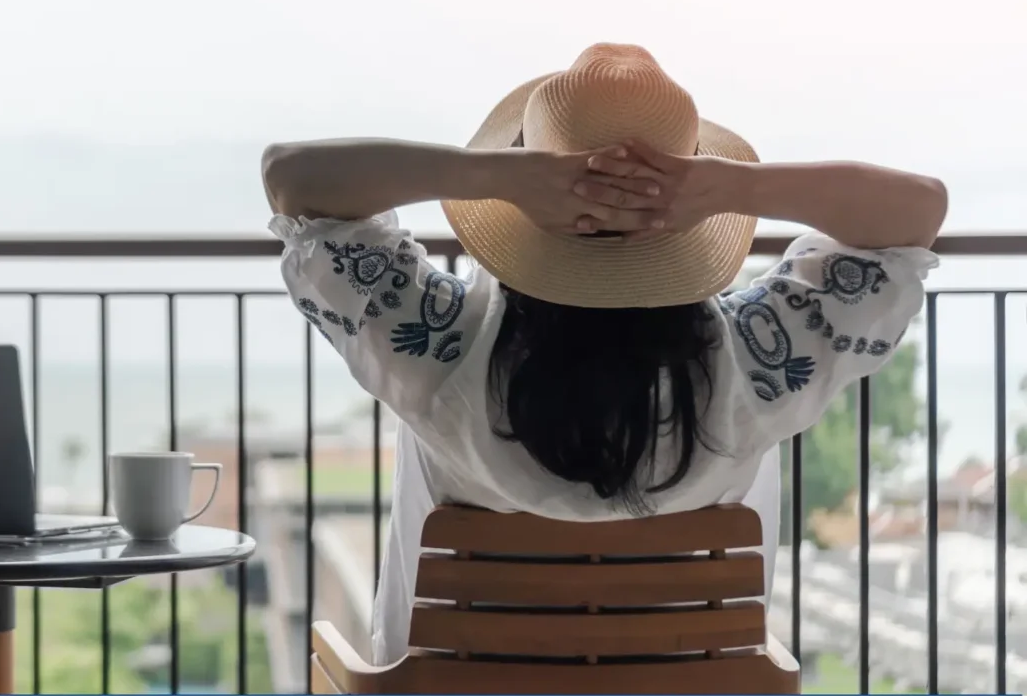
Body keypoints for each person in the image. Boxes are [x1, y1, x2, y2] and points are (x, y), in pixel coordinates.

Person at [261, 43, 947, 665]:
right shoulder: (759, 367)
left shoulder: (436, 354)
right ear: (687, 220)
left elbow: (291, 177)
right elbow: (918, 210)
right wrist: (734, 187)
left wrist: (493, 175)